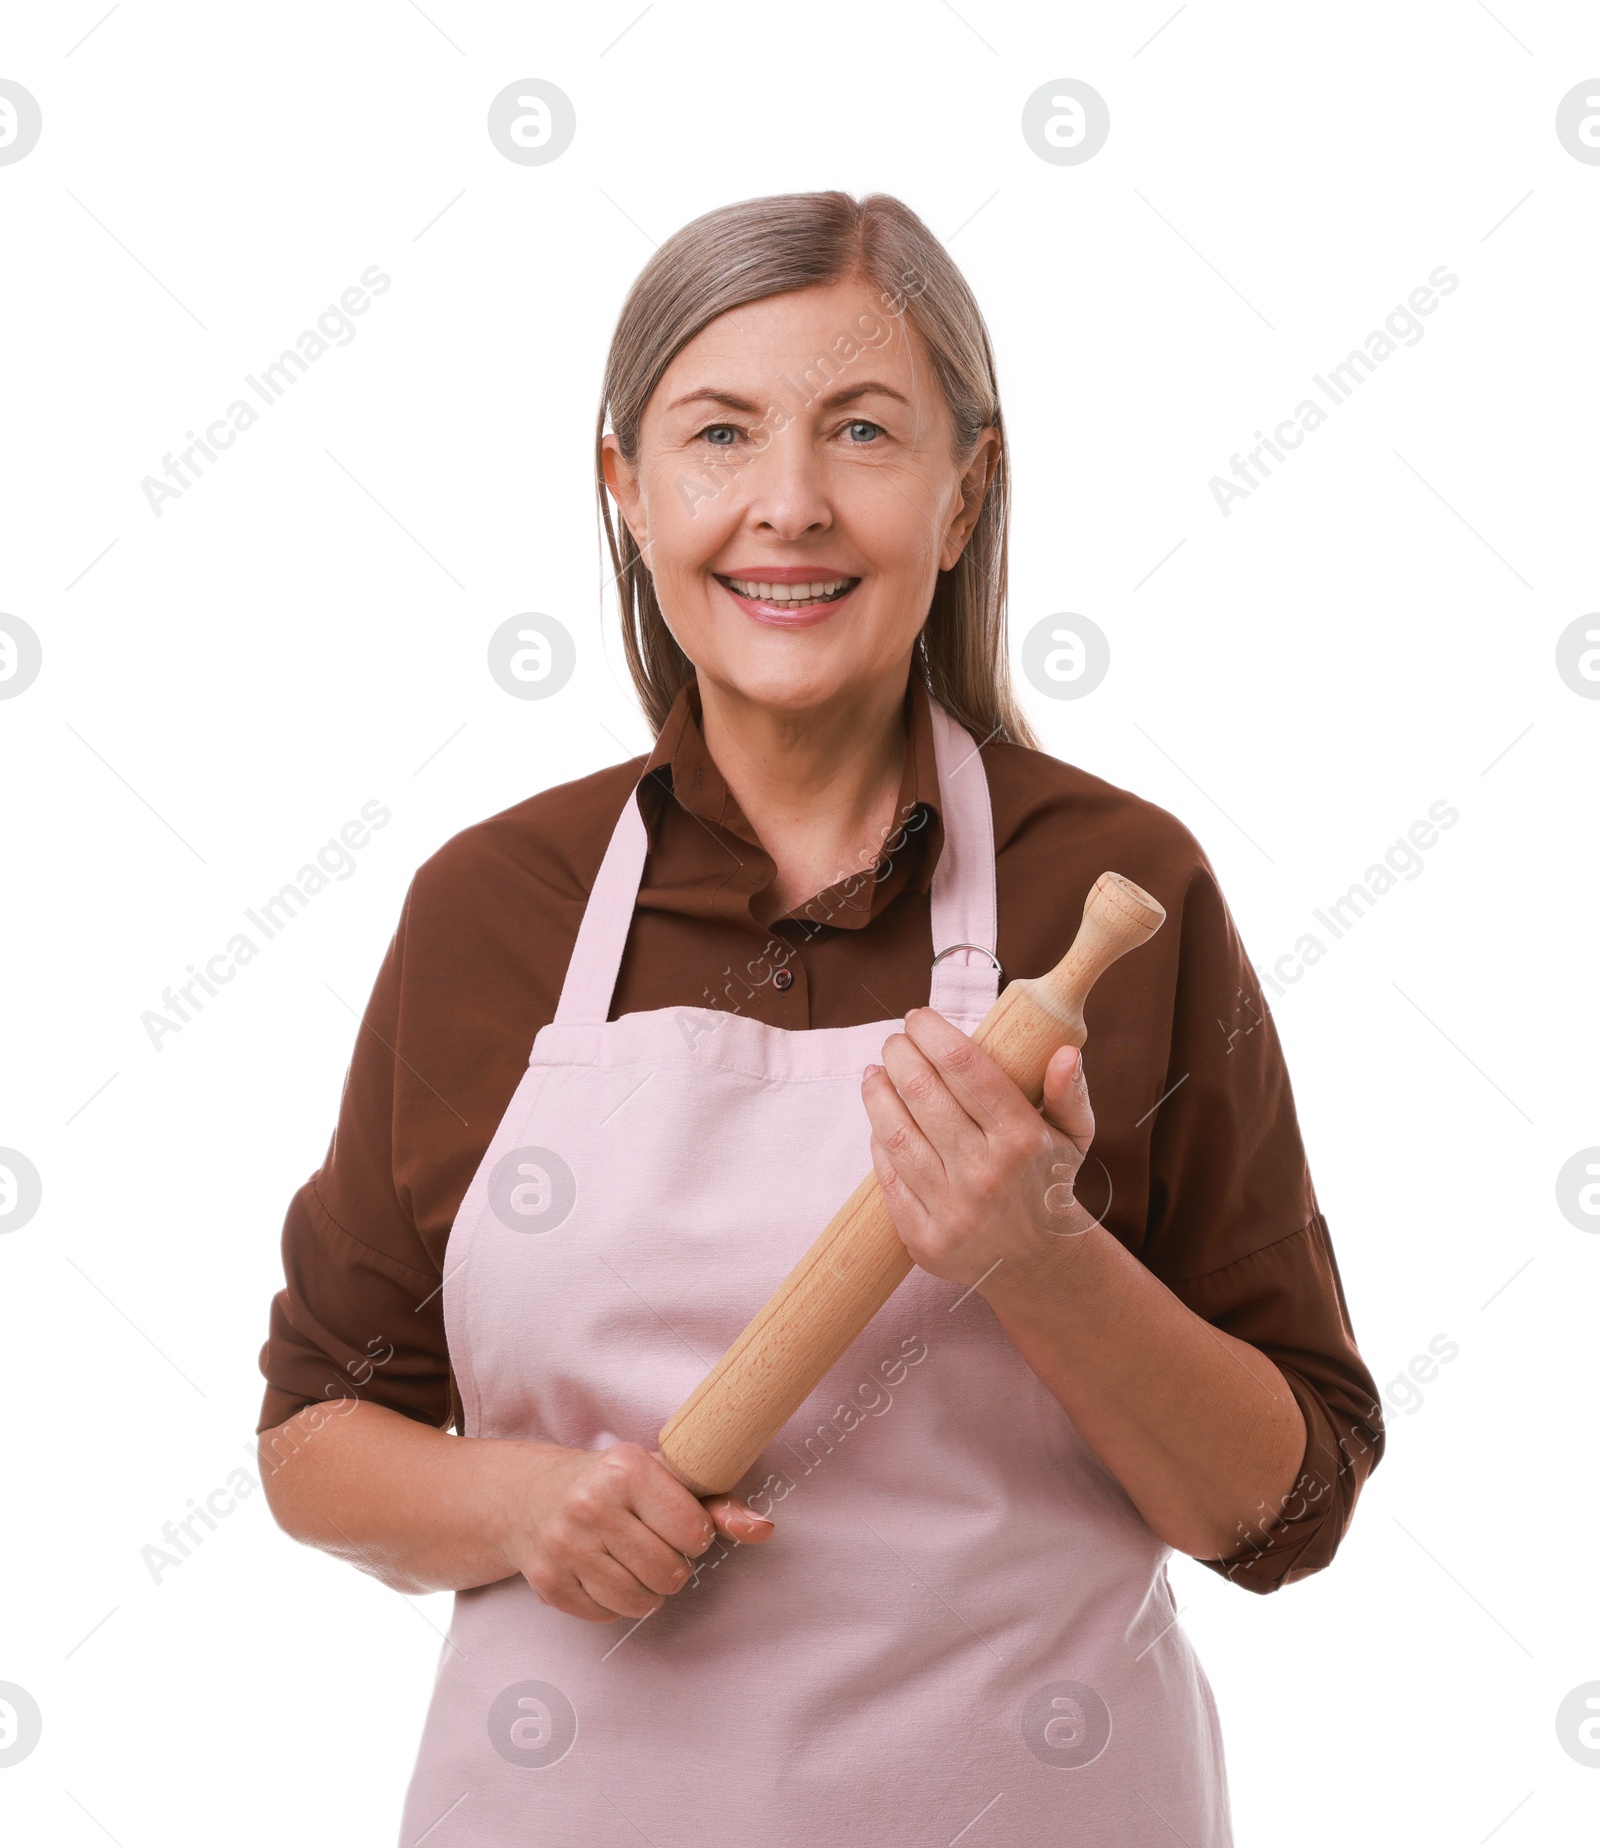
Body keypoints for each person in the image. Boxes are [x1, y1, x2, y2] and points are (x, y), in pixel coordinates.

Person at [256, 189, 1384, 1846]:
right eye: (720, 436)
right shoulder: (494, 906)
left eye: (863, 432)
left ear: (963, 491)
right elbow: (315, 1436)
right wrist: (522, 1501)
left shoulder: (1119, 894)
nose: (789, 507)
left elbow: (1283, 1508)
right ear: (628, 490)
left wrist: (1037, 1249)